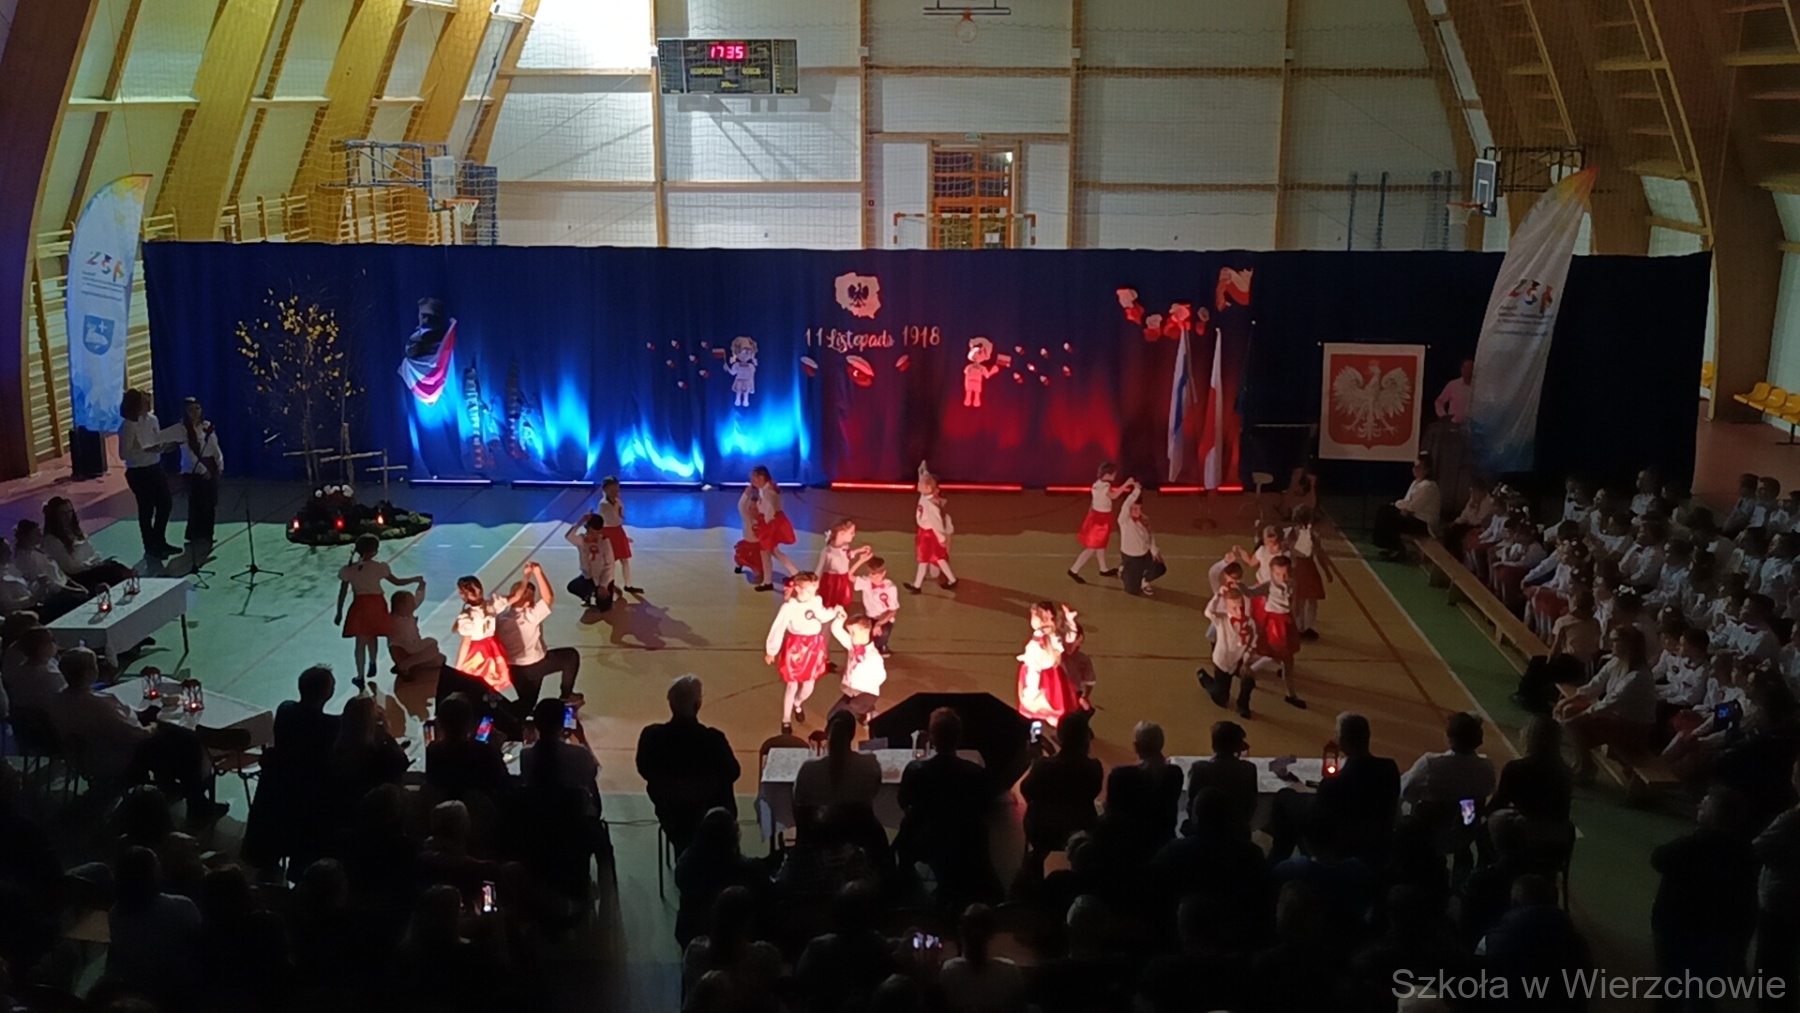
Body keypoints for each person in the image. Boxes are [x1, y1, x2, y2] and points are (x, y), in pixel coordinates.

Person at [48, 648, 225, 824]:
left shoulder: (58, 700)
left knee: (172, 738)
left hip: (84, 757)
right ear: (89, 673)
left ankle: (173, 787)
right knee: (187, 741)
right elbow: (137, 735)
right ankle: (197, 806)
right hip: (119, 758)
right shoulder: (98, 705)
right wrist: (153, 725)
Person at [1652, 787, 1759, 1010]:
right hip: (1719, 934)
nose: (1699, 806)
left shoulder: (1691, 845)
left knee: (1670, 991)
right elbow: (1747, 901)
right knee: (1702, 996)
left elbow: (1658, 858)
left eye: (1705, 803)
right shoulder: (1745, 853)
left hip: (1677, 929)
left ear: (1714, 814)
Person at [896, 707, 1000, 908]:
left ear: (931, 737)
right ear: (959, 737)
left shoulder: (916, 771)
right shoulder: (975, 773)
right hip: (967, 839)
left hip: (927, 839)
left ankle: (904, 894)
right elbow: (986, 807)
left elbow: (903, 802)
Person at [636, 675, 741, 855]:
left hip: (672, 816)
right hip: (708, 814)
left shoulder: (652, 737)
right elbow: (733, 772)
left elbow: (645, 770)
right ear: (697, 704)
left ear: (671, 703)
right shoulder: (713, 739)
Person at [1555, 626, 1657, 780]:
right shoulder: (1616, 662)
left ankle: (1586, 766)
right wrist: (1568, 700)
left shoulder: (1637, 676)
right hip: (1616, 718)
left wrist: (1581, 716)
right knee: (1568, 710)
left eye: (1615, 640)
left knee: (1572, 723)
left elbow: (1609, 703)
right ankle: (1581, 761)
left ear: (1627, 645)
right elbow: (1595, 685)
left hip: (1633, 727)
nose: (1611, 643)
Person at [106, 846, 202, 1008]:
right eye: (156, 862)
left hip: (137, 992)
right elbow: (202, 944)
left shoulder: (114, 915)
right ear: (152, 873)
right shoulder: (182, 906)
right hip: (181, 992)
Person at [335, 534, 422, 691]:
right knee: (373, 635)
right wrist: (414, 579)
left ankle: (360, 676)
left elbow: (342, 593)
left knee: (360, 643)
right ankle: (373, 662)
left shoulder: (350, 570)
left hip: (360, 606)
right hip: (377, 604)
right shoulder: (379, 567)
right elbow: (397, 582)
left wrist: (339, 612)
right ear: (374, 551)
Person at [673, 808, 767, 949]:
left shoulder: (685, 863)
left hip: (690, 934)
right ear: (733, 837)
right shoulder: (744, 871)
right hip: (735, 938)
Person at [1020, 710, 1102, 865]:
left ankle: (1035, 859)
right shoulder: (1094, 768)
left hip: (1045, 830)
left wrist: (1036, 762)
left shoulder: (1043, 766)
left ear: (1059, 736)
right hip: (1080, 827)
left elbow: (1027, 791)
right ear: (1086, 737)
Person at [495, 561, 580, 711]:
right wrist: (538, 572)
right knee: (570, 656)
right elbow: (548, 598)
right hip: (537, 665)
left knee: (527, 703)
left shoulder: (500, 619)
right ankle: (566, 694)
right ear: (528, 602)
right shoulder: (531, 616)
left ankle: (499, 712)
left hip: (514, 670)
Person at [766, 572, 840, 734]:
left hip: (813, 647)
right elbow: (778, 627)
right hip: (796, 648)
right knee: (792, 685)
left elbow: (822, 615)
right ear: (798, 589)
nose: (813, 594)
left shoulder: (816, 601)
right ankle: (786, 719)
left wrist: (835, 612)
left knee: (808, 685)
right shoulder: (789, 607)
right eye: (809, 590)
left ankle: (798, 703)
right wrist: (772, 650)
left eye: (814, 590)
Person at [1754, 758, 1800, 1010]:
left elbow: (1757, 850)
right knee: (1787, 959)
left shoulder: (1790, 821)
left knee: (1772, 964)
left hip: (1781, 901)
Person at [1201, 586, 1279, 719]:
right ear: (1226, 607)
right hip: (1223, 662)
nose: (1239, 611)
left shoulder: (1249, 623)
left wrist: (1246, 661)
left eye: (1241, 607)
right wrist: (1218, 595)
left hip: (1239, 660)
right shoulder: (1222, 620)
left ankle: (1243, 704)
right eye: (1234, 608)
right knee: (1221, 698)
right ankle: (1205, 680)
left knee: (1248, 679)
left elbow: (1252, 643)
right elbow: (1209, 612)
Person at [118, 388, 178, 558]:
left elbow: (157, 438)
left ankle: (160, 540)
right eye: (144, 401)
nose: (147, 404)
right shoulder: (128, 426)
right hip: (138, 471)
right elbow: (124, 454)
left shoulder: (152, 419)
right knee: (146, 509)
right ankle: (150, 546)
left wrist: (163, 446)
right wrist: (143, 449)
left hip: (154, 466)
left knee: (165, 504)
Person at [1400, 711, 1496, 812]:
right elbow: (1487, 791)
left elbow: (1405, 792)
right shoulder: (1487, 767)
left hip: (1427, 819)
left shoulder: (1429, 764)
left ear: (1449, 737)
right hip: (1465, 819)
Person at [424, 692, 512, 801]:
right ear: (470, 723)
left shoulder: (433, 751)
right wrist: (496, 751)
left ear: (439, 723)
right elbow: (504, 784)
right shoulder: (483, 752)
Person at [938, 904, 1025, 1013]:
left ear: (962, 932)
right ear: (992, 933)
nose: (976, 935)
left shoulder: (949, 971)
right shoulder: (1010, 972)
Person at [1488, 717, 1574, 824]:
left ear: (1530, 737)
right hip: (1557, 831)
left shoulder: (1516, 768)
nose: (1521, 732)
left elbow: (1498, 804)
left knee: (1496, 821)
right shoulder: (1565, 770)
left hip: (1528, 828)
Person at [40, 497, 134, 591]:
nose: (68, 516)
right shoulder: (51, 540)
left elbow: (91, 552)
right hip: (78, 575)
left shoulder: (74, 532)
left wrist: (96, 562)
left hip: (89, 568)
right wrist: (91, 565)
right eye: (62, 513)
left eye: (69, 512)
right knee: (112, 572)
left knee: (116, 564)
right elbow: (70, 568)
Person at [795, 709, 881, 810]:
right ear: (852, 735)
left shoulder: (808, 768)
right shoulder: (870, 763)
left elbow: (798, 798)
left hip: (821, 820)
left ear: (827, 732)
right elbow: (875, 792)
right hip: (858, 819)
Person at [1017, 601, 1083, 728]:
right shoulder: (1040, 642)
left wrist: (1070, 620)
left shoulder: (1049, 638)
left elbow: (1069, 638)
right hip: (1047, 677)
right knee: (1052, 709)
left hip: (1049, 677)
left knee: (1052, 709)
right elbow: (1034, 670)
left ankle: (1062, 728)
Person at [1184, 720, 1257, 834]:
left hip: (1204, 832)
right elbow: (1251, 805)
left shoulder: (1199, 769)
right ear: (1238, 746)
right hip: (1237, 832)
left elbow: (1191, 805)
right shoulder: (1248, 769)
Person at [1068, 465, 1137, 583]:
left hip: (1096, 516)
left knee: (1100, 544)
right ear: (1108, 474)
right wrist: (1126, 484)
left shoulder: (1097, 484)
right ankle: (1074, 569)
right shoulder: (1106, 486)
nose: (1115, 476)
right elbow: (1114, 496)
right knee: (1093, 547)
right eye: (1113, 474)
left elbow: (1094, 501)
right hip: (1101, 519)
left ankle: (1103, 568)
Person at [1372, 454, 1442, 559]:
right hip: (1413, 516)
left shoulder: (1429, 486)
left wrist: (1401, 506)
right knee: (1384, 510)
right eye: (1414, 466)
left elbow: (1412, 506)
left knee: (1390, 519)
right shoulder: (1416, 482)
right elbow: (1406, 501)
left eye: (1419, 467)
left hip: (1423, 523)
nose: (1415, 469)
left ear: (1427, 470)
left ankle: (1397, 548)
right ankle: (1385, 544)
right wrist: (1402, 507)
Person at [451, 575, 512, 691]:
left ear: (463, 595)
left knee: (476, 680)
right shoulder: (491, 606)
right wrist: (526, 578)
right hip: (492, 647)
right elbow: (515, 597)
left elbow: (466, 643)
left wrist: (457, 668)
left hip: (477, 651)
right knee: (492, 678)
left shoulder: (467, 616)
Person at [176, 397, 223, 550]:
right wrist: (203, 470)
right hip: (194, 470)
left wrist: (219, 463)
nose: (195, 412)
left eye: (197, 408)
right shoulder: (183, 430)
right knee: (198, 503)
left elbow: (214, 446)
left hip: (210, 465)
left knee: (210, 502)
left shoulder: (206, 426)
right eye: (191, 410)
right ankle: (195, 534)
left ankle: (207, 534)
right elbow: (189, 454)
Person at [1286, 504, 1335, 638]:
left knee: (1299, 599)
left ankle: (1300, 626)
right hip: (1308, 567)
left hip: (1297, 567)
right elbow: (1319, 554)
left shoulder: (1292, 533)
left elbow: (1288, 551)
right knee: (1311, 600)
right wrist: (1327, 571)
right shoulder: (1312, 535)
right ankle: (1308, 626)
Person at [827, 613, 886, 721]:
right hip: (852, 691)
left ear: (865, 631)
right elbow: (837, 631)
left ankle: (867, 712)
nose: (850, 636)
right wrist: (840, 619)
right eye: (850, 632)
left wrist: (864, 682)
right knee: (831, 716)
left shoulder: (873, 656)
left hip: (867, 694)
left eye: (853, 633)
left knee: (844, 715)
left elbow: (881, 676)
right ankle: (867, 714)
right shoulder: (852, 646)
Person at [911, 461, 958, 593]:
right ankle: (951, 580)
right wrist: (922, 470)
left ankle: (917, 586)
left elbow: (936, 523)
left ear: (927, 488)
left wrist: (941, 539)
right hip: (924, 533)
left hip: (929, 536)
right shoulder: (925, 496)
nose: (918, 484)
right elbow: (923, 479)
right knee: (936, 559)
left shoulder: (931, 505)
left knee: (924, 559)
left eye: (921, 484)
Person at [749, 465, 798, 592]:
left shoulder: (768, 492)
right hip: (771, 522)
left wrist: (763, 523)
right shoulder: (767, 489)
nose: (752, 481)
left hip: (770, 524)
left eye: (754, 478)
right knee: (772, 551)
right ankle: (794, 573)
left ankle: (768, 581)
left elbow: (769, 510)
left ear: (761, 477)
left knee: (766, 552)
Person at [386, 584, 446, 679]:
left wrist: (421, 588)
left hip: (414, 648)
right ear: (401, 605)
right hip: (404, 649)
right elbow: (407, 644)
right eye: (410, 602)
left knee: (440, 659)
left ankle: (411, 665)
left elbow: (418, 600)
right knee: (432, 644)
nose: (413, 604)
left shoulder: (407, 614)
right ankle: (404, 665)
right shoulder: (394, 621)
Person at [596, 475, 643, 594]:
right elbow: (610, 521)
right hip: (608, 533)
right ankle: (609, 584)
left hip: (618, 532)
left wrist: (623, 537)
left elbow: (619, 519)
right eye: (612, 490)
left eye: (617, 490)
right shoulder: (604, 504)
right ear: (605, 490)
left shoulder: (618, 502)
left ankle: (628, 585)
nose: (616, 493)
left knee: (624, 560)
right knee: (610, 563)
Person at [1117, 483, 1165, 597]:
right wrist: (1136, 491)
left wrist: (1154, 550)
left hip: (1144, 554)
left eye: (1139, 508)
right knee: (1132, 590)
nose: (1138, 511)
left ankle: (1145, 581)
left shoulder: (1144, 518)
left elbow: (1150, 535)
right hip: (1131, 556)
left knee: (1160, 567)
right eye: (1134, 509)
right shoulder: (1124, 521)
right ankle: (1124, 570)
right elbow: (1126, 505)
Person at [564, 511, 617, 611]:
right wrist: (581, 521)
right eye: (590, 532)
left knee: (603, 607)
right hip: (589, 577)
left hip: (602, 578)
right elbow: (568, 536)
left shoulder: (605, 542)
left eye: (596, 533)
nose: (592, 536)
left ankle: (609, 587)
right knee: (572, 587)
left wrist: (603, 585)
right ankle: (587, 595)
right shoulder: (582, 540)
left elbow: (610, 565)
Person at [816, 519, 870, 610]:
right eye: (851, 532)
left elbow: (847, 555)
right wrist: (813, 585)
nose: (854, 535)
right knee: (830, 606)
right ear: (841, 533)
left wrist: (858, 551)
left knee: (843, 604)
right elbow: (819, 570)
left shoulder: (845, 546)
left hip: (843, 580)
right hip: (831, 583)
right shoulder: (828, 552)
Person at [853, 556, 900, 655]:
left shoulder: (891, 588)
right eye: (871, 576)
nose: (874, 579)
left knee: (883, 632)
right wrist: (861, 560)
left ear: (884, 573)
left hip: (884, 619)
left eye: (877, 576)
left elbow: (893, 610)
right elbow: (849, 576)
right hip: (869, 617)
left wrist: (879, 623)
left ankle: (882, 646)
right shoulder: (866, 582)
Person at [1434, 358, 1473, 423]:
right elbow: (1439, 402)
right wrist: (1443, 416)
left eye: (1470, 368)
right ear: (1461, 369)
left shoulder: (1477, 387)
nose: (1467, 371)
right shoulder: (1453, 385)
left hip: (1472, 426)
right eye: (1465, 368)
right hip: (1454, 425)